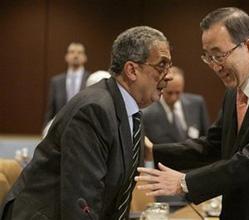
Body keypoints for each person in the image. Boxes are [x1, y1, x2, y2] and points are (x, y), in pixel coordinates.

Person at [136, 7, 249, 220]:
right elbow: (214, 145)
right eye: (208, 57)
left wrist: (185, 182)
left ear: (248, 46)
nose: (214, 66)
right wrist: (153, 151)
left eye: (219, 55)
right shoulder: (234, 93)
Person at [0, 26, 172, 220]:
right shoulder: (94, 110)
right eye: (161, 65)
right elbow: (81, 203)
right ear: (132, 70)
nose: (169, 75)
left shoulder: (131, 114)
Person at [142, 65, 209, 144]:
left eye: (178, 92)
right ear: (162, 88)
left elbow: (206, 138)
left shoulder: (196, 104)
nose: (174, 98)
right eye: (169, 93)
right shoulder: (147, 114)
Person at [44, 42, 90, 125]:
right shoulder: (56, 82)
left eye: (79, 52)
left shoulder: (91, 80)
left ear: (85, 57)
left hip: (84, 129)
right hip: (60, 129)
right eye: (72, 52)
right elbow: (51, 110)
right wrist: (45, 131)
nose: (76, 55)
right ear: (66, 57)